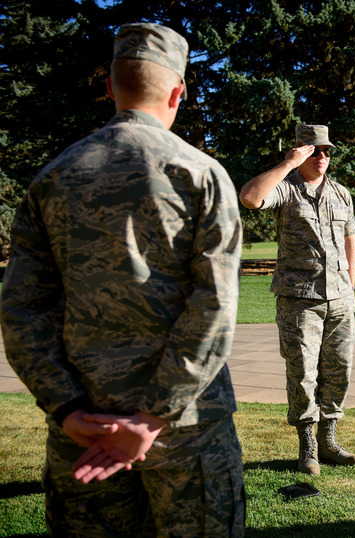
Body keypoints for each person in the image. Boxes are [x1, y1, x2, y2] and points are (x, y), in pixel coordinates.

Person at [0, 23, 245, 536]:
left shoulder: (52, 178)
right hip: (185, 430)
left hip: (85, 425)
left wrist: (65, 406)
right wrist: (155, 416)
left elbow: (22, 309)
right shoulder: (199, 174)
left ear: (110, 87)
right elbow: (214, 305)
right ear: (178, 91)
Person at [239, 124, 355, 475]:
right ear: (300, 150)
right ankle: (307, 448)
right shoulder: (286, 190)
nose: (322, 156)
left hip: (339, 299)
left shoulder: (341, 193)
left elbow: (351, 237)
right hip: (299, 300)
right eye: (315, 150)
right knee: (303, 373)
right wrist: (288, 164)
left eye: (327, 151)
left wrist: (350, 285)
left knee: (339, 372)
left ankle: (329, 442)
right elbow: (250, 197)